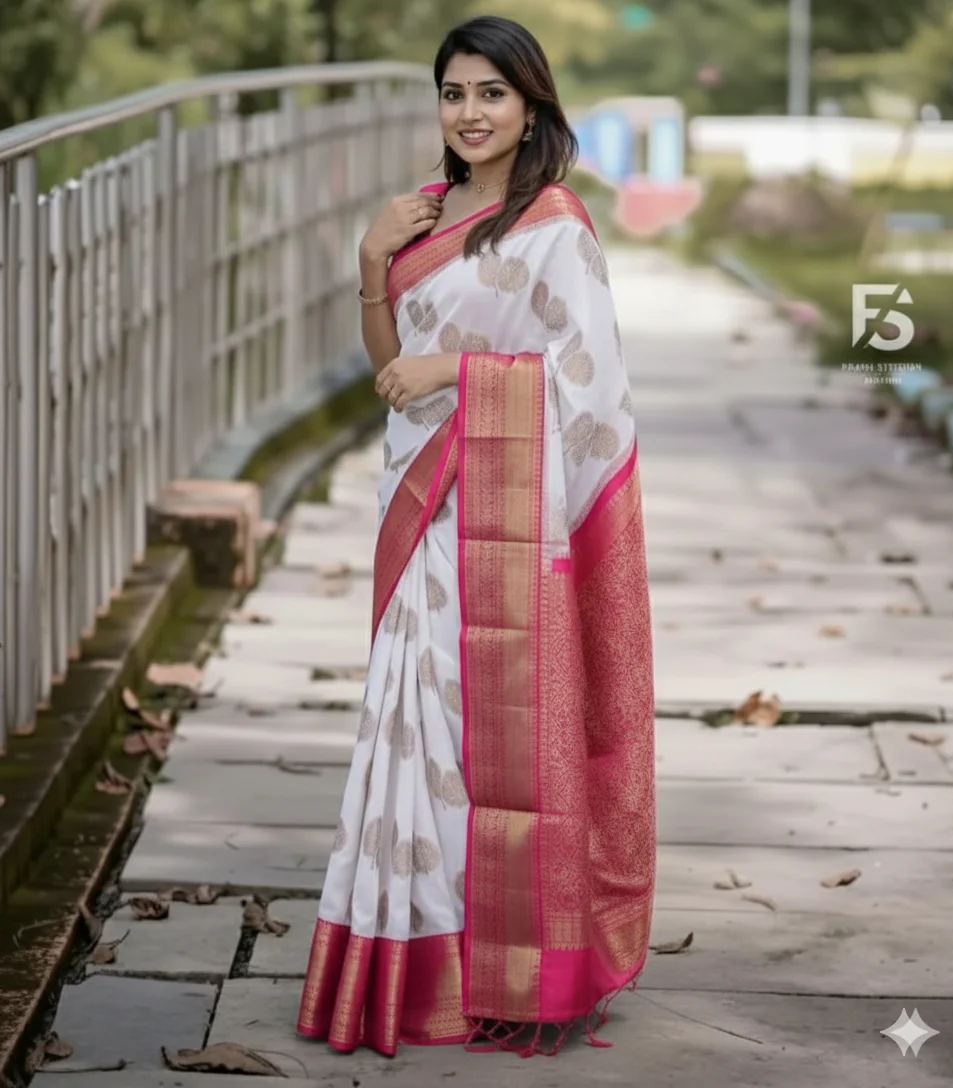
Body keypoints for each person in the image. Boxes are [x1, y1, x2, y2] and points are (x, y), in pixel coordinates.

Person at [296, 14, 655, 1059]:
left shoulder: (554, 225)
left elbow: (592, 385)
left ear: (531, 105)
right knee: (410, 728)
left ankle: (505, 959)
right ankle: (410, 957)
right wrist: (373, 258)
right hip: (420, 496)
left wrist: (460, 372)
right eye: (453, 93)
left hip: (504, 519)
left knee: (478, 737)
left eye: (491, 94)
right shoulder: (424, 214)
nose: (470, 113)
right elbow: (387, 366)